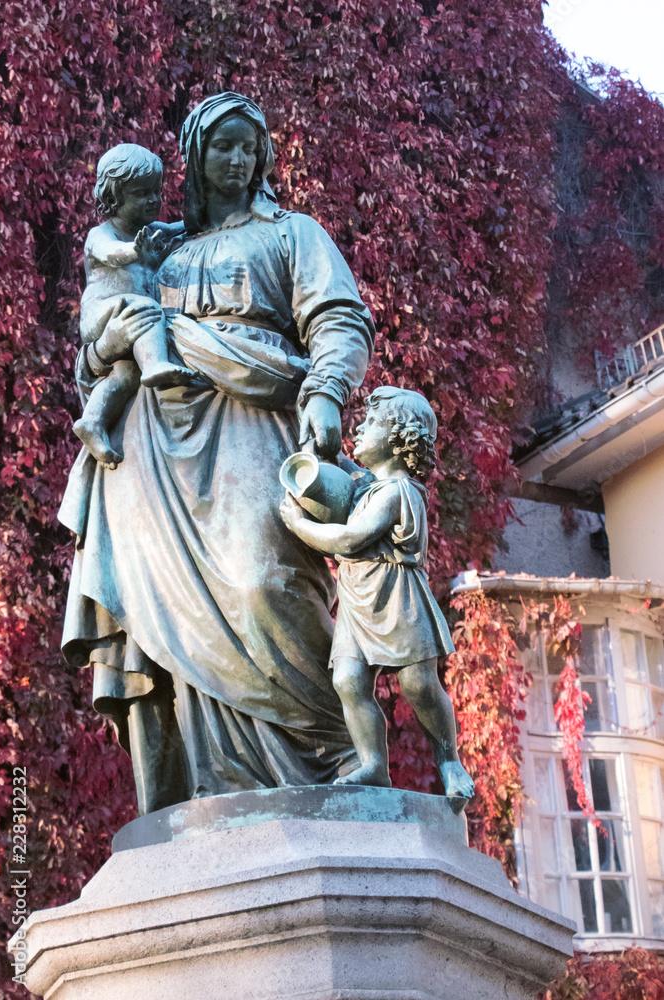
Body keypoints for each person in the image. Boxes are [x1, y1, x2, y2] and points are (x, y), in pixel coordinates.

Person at [59, 94, 375, 813]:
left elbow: (338, 318)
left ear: (261, 156)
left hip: (249, 417)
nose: (235, 160)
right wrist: (107, 345)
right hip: (150, 447)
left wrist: (325, 391)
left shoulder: (293, 233)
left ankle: (329, 759)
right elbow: (100, 342)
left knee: (262, 579)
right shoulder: (161, 244)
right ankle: (201, 794)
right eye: (220, 147)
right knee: (152, 618)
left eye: (246, 147)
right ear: (195, 157)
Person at [280, 387, 475, 799]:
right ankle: (372, 765)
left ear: (398, 438)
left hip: (397, 598)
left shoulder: (398, 492)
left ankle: (450, 761)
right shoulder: (372, 485)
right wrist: (328, 454)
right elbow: (353, 476)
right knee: (349, 680)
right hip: (357, 599)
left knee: (419, 684)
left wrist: (299, 526)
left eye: (370, 424)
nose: (359, 428)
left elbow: (350, 539)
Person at [74, 143, 196, 468]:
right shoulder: (101, 235)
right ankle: (155, 364)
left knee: (124, 375)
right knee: (144, 307)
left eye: (156, 191)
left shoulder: (152, 231)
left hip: (136, 324)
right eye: (142, 194)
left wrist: (204, 219)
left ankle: (93, 422)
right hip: (104, 312)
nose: (154, 200)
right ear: (114, 199)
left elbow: (179, 228)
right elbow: (112, 253)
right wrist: (133, 252)